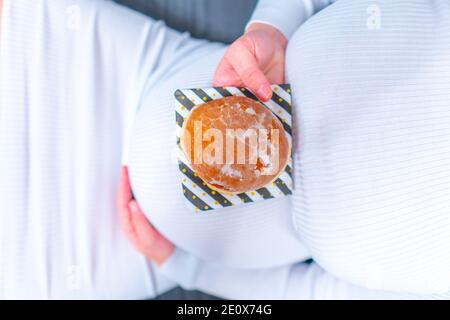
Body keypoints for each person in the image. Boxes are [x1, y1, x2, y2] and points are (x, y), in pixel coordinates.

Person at [1, 0, 450, 300]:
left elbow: (310, 296)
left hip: (116, 245)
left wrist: (185, 267)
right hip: (134, 65)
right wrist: (272, 28)